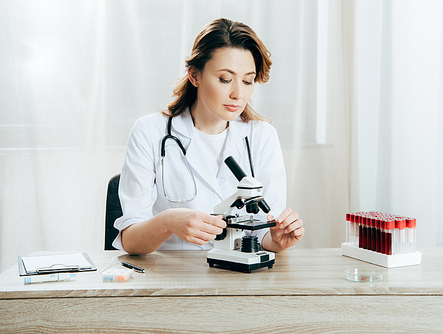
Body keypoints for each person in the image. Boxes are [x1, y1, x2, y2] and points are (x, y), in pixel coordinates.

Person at [113, 18, 304, 255]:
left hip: (239, 277)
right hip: (172, 275)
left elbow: (266, 231)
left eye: (247, 81)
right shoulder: (150, 132)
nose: (238, 94)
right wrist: (167, 222)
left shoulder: (262, 136)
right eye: (225, 79)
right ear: (194, 75)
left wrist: (277, 239)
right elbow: (130, 240)